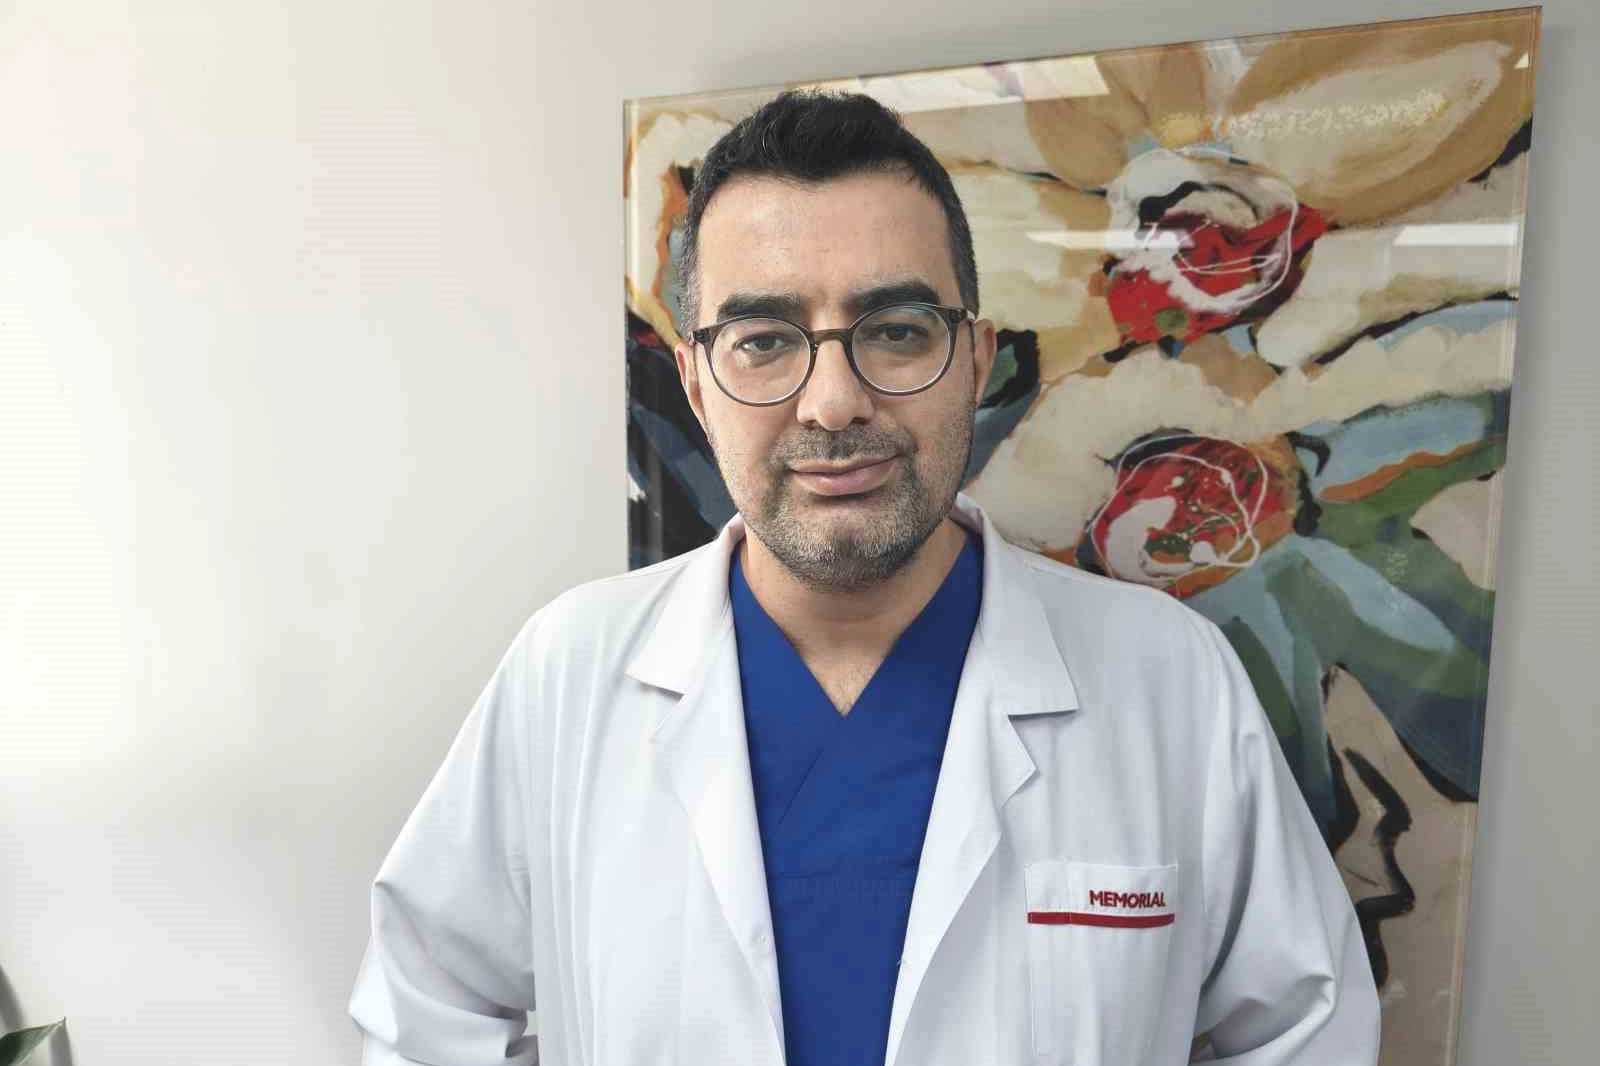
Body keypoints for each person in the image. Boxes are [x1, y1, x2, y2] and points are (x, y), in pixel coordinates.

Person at [349, 90, 1379, 1066]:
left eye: (895, 332)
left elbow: (1307, 1029)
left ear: (974, 360)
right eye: (763, 341)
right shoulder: (568, 673)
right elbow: (424, 1010)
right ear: (697, 384)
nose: (833, 402)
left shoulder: (1168, 679)